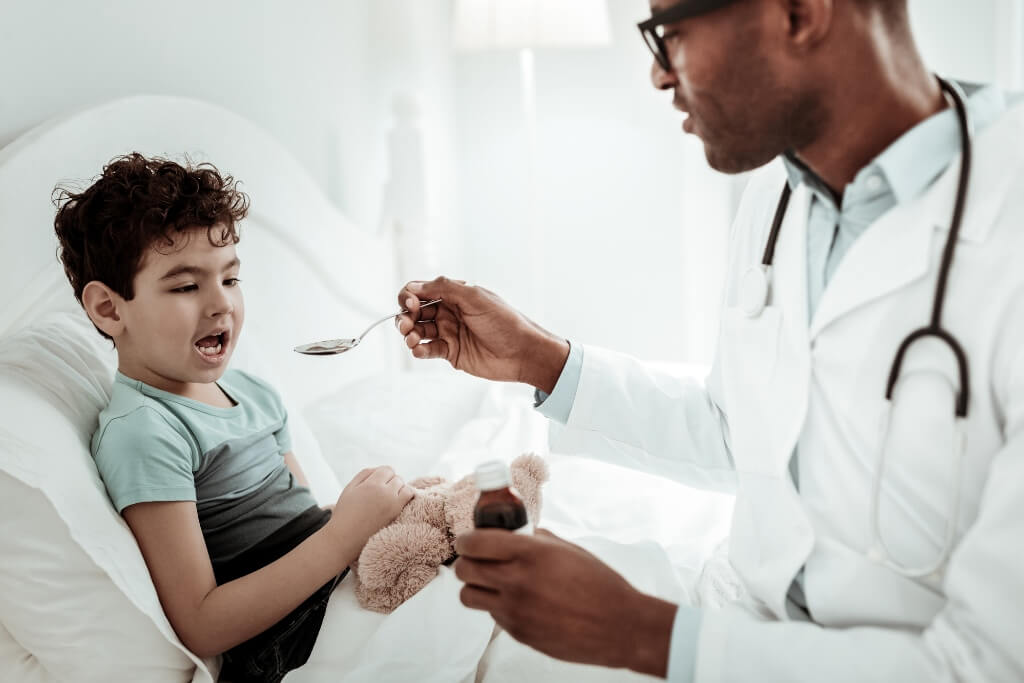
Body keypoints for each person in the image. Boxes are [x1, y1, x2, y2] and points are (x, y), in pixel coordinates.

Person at [394, 0, 1024, 680]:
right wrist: (539, 358)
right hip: (731, 612)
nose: (659, 77)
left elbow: (988, 662)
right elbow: (740, 434)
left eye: (671, 31)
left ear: (800, 13)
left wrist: (647, 634)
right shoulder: (777, 199)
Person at [53, 153, 414, 683]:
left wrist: (363, 518)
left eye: (231, 278)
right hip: (290, 637)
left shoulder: (253, 391)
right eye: (184, 286)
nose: (221, 304)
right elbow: (202, 622)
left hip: (332, 586)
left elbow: (302, 521)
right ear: (109, 309)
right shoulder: (144, 431)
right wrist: (344, 535)